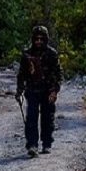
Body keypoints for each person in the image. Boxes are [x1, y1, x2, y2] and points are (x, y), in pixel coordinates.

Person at [15, 25, 62, 157]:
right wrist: (19, 91)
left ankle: (46, 144)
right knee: (31, 119)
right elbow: (21, 74)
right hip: (32, 90)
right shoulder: (27, 54)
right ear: (33, 39)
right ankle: (32, 145)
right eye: (37, 39)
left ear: (46, 39)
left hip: (48, 91)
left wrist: (55, 91)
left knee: (47, 118)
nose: (39, 41)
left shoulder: (52, 54)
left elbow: (58, 74)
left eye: (42, 39)